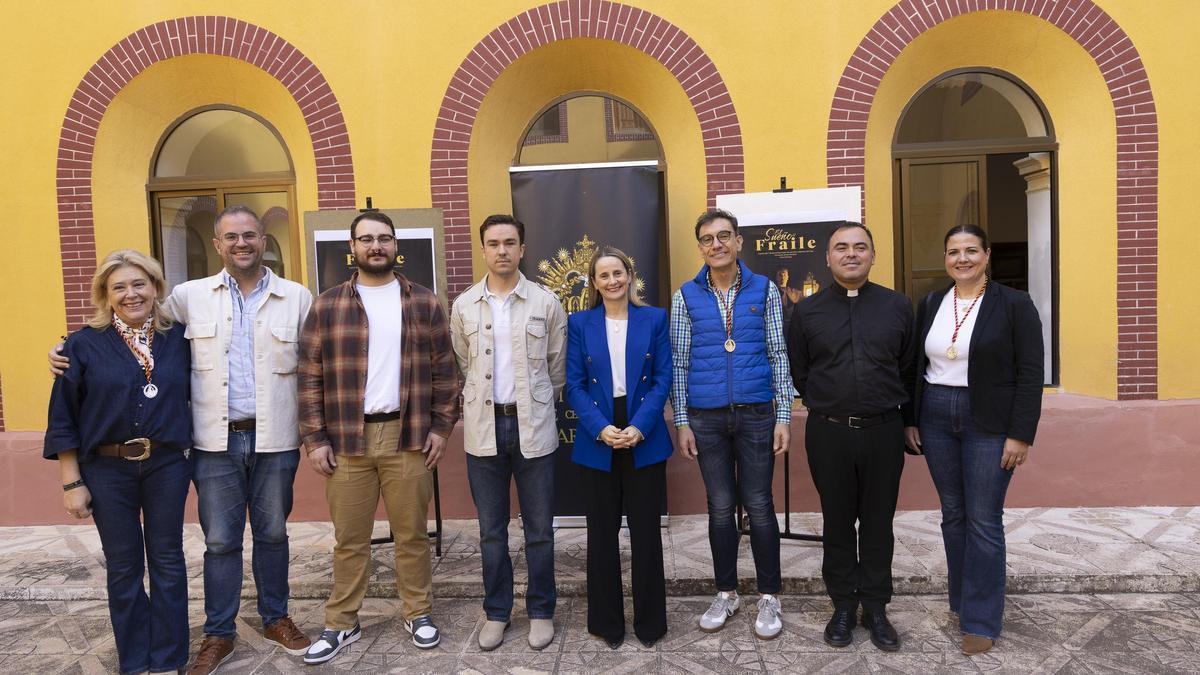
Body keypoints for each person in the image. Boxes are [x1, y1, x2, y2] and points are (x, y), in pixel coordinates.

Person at [52, 206, 314, 674]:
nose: (240, 243)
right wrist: (62, 348)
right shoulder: (189, 297)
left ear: (262, 240)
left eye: (249, 235)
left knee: (268, 535)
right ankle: (217, 633)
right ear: (217, 244)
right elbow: (120, 340)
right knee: (218, 542)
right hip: (212, 444)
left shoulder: (296, 298)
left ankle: (273, 618)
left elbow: (317, 363)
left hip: (268, 440)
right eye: (230, 236)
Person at [298, 211, 460, 663]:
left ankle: (418, 612)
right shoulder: (327, 305)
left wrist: (441, 428)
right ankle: (341, 622)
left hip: (408, 436)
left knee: (412, 535)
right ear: (352, 247)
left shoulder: (423, 302)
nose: (375, 246)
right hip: (347, 439)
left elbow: (446, 372)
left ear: (395, 245)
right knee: (350, 539)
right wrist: (315, 438)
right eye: (366, 239)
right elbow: (309, 376)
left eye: (384, 238)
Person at [45, 250, 193, 675]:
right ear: (105, 296)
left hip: (166, 465)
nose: (131, 294)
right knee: (124, 565)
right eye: (119, 287)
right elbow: (63, 416)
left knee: (168, 561)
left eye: (139, 284)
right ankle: (135, 659)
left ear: (156, 288)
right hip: (106, 469)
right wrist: (71, 482)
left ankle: (167, 659)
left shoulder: (179, 339)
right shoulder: (80, 345)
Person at [903, 224, 1044, 656]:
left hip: (988, 420)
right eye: (953, 252)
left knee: (983, 518)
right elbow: (915, 366)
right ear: (945, 258)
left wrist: (1020, 434)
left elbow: (1030, 373)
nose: (961, 259)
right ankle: (963, 601)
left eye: (970, 251)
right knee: (953, 515)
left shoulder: (1014, 304)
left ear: (986, 255)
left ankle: (981, 621)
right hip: (936, 414)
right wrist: (911, 419)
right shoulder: (932, 302)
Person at [786, 222, 916, 652]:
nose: (851, 254)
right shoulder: (807, 312)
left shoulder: (898, 306)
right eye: (841, 248)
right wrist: (829, 401)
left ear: (873, 255)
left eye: (860, 247)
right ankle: (843, 605)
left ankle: (876, 608)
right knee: (837, 523)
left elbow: (909, 370)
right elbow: (801, 371)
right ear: (828, 259)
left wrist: (909, 421)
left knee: (878, 524)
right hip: (830, 433)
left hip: (884, 431)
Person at [670, 208, 792, 640]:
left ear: (739, 241)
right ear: (700, 247)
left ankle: (769, 596)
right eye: (708, 239)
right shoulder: (685, 296)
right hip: (706, 417)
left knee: (759, 503)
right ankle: (726, 592)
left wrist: (783, 415)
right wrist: (682, 421)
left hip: (757, 413)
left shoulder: (765, 289)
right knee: (720, 506)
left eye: (724, 236)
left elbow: (778, 352)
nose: (716, 244)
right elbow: (679, 362)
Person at [449, 214, 567, 652]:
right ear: (483, 249)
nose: (502, 250)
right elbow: (463, 363)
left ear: (522, 249)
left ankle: (541, 611)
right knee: (491, 531)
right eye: (494, 243)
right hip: (484, 429)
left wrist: (532, 402)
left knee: (539, 530)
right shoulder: (464, 305)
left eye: (510, 243)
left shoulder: (546, 302)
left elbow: (556, 368)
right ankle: (497, 612)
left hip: (533, 427)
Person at [565, 247, 673, 649]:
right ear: (594, 283)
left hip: (644, 429)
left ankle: (651, 623)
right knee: (601, 534)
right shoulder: (579, 323)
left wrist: (640, 427)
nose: (612, 281)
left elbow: (662, 378)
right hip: (599, 430)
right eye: (604, 275)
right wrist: (600, 428)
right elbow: (574, 384)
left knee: (646, 534)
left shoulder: (654, 318)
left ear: (630, 276)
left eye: (618, 273)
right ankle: (607, 623)